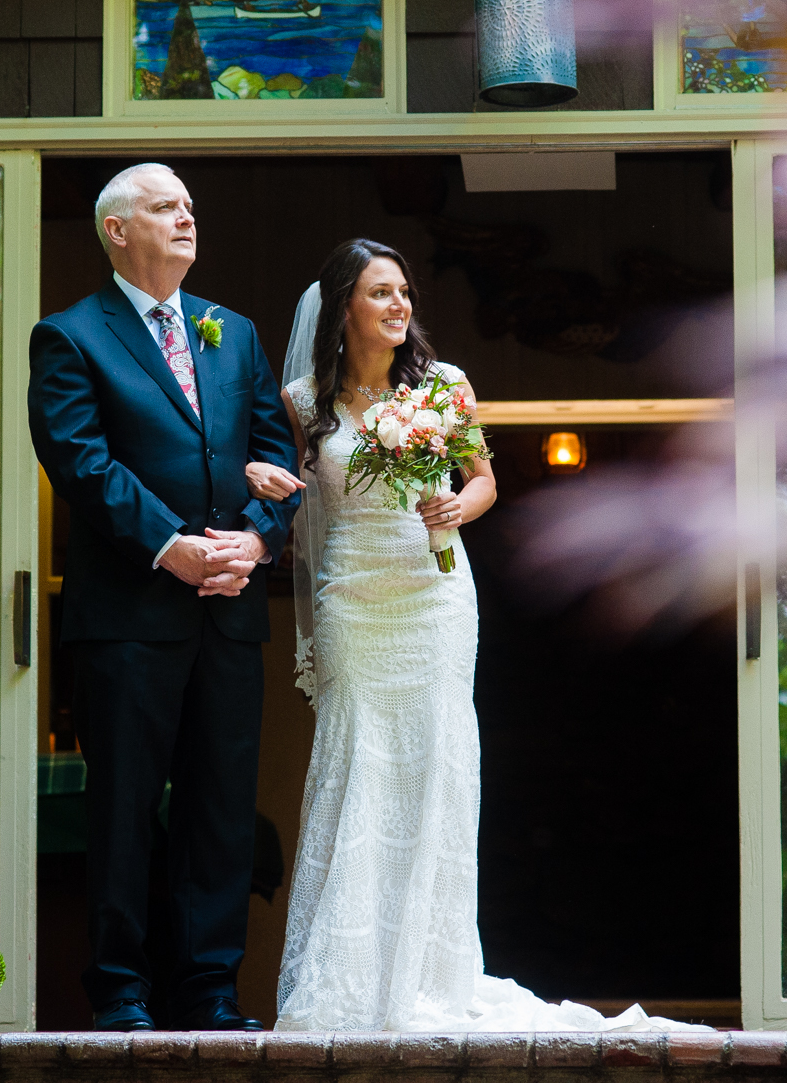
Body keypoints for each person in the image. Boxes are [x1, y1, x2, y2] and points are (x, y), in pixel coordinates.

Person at [245, 238, 702, 1033]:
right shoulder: (302, 401)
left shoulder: (443, 386)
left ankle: (430, 973)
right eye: (381, 293)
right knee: (361, 767)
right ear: (343, 305)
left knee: (435, 766)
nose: (399, 306)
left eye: (405, 292)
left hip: (435, 597)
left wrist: (462, 506)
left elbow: (482, 479)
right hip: (353, 596)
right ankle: (351, 979)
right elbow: (287, 494)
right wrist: (265, 481)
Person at [28, 162, 299, 1032]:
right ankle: (120, 992)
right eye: (164, 207)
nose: (186, 219)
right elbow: (80, 461)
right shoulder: (70, 337)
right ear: (117, 230)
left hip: (227, 609)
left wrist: (256, 540)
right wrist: (170, 547)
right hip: (129, 619)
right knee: (124, 808)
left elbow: (273, 455)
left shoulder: (235, 331)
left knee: (221, 808)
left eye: (189, 207)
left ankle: (209, 992)